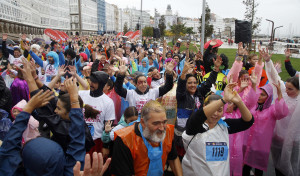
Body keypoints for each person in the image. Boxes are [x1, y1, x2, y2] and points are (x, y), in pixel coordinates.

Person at [0, 78, 86, 176]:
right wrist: (74, 100)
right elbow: (77, 142)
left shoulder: (8, 171)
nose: (55, 111)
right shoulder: (73, 172)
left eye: (58, 108)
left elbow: (8, 147)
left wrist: (28, 108)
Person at [182, 83, 254, 176]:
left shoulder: (224, 126)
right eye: (213, 109)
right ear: (205, 107)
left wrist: (239, 102)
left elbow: (248, 122)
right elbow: (198, 116)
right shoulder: (194, 126)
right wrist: (224, 100)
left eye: (220, 110)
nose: (216, 113)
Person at [110, 100, 183, 176]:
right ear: (143, 123)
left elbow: (173, 158)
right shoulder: (124, 139)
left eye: (164, 122)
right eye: (156, 123)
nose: (162, 128)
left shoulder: (167, 131)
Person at [175, 57, 220, 159]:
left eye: (195, 83)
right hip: (183, 135)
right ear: (185, 84)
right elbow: (180, 88)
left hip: (197, 133)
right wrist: (183, 74)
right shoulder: (181, 96)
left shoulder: (198, 93)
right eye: (189, 83)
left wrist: (216, 69)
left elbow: (208, 83)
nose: (193, 85)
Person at [242, 82, 288, 176]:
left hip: (260, 146)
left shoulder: (272, 110)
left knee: (258, 169)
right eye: (259, 93)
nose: (259, 96)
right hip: (247, 143)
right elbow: (246, 102)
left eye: (262, 95)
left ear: (269, 96)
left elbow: (282, 113)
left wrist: (279, 94)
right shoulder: (253, 107)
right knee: (245, 168)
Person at [79, 71, 115, 155]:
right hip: (79, 139)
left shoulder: (108, 102)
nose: (91, 84)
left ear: (102, 84)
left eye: (94, 82)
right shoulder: (80, 94)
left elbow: (108, 125)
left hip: (96, 142)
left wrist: (105, 146)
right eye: (91, 81)